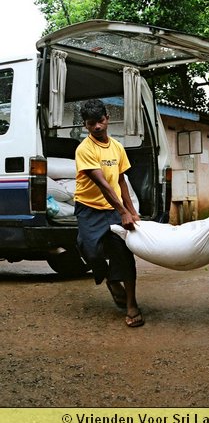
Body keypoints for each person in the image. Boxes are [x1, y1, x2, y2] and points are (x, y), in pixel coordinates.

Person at [74, 98, 144, 327]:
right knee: (89, 250)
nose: (97, 127)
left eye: (101, 121)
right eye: (92, 123)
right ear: (86, 125)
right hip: (89, 208)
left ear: (108, 119)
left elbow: (121, 180)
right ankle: (111, 281)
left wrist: (132, 212)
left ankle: (132, 304)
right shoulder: (84, 149)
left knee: (124, 253)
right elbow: (103, 184)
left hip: (113, 208)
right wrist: (123, 211)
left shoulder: (117, 146)